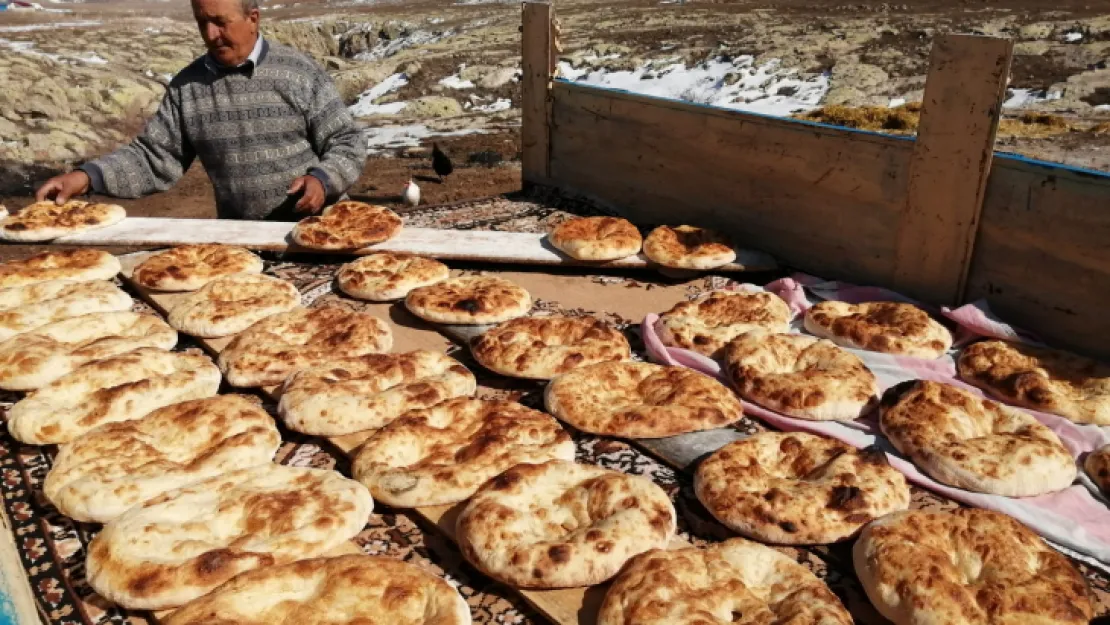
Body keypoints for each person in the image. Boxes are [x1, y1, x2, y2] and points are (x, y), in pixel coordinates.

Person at [35, 0, 366, 220]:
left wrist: (323, 180)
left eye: (220, 22)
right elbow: (152, 157)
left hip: (323, 232)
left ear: (253, 19)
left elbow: (347, 142)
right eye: (202, 22)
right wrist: (87, 176)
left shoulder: (299, 72)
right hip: (243, 246)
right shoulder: (186, 87)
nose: (211, 35)